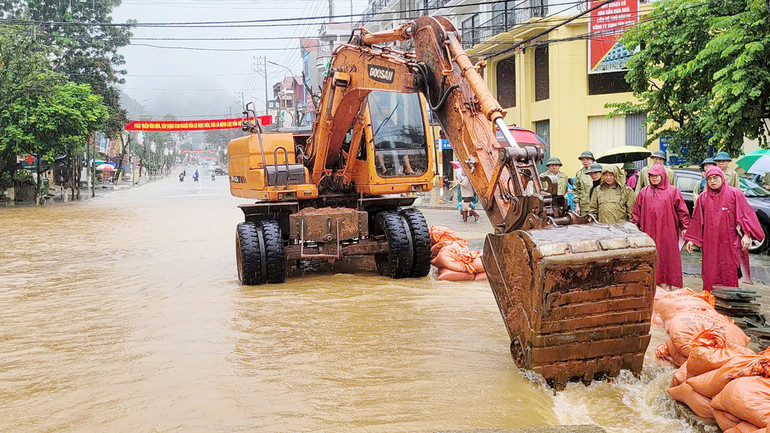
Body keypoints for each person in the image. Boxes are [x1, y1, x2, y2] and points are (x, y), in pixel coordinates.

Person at [685, 167, 765, 291]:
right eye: (709, 178)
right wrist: (692, 240)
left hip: (730, 241)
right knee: (710, 272)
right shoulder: (703, 197)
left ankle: (730, 300)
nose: (712, 181)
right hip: (710, 242)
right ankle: (710, 299)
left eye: (716, 177)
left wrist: (747, 235)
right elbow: (697, 220)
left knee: (729, 272)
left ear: (722, 178)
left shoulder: (735, 194)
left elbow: (745, 215)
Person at [632, 165, 690, 289]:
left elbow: (682, 211)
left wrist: (685, 227)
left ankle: (669, 285)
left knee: (668, 258)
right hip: (648, 231)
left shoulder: (673, 191)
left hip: (668, 231)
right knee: (651, 257)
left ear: (663, 176)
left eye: (656, 176)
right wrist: (634, 226)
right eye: (651, 176)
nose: (654, 178)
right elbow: (636, 211)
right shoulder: (643, 192)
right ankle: (655, 285)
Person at [573, 151, 595, 216]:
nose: (585, 161)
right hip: (584, 205)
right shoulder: (579, 174)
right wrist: (577, 206)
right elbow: (576, 190)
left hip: (597, 204)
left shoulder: (599, 171)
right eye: (583, 159)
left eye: (587, 159)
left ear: (592, 160)